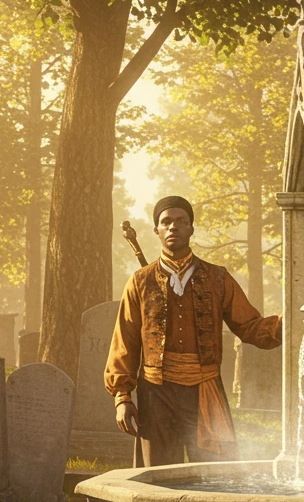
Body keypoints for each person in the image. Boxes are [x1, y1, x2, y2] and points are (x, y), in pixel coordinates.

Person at [105, 196, 281, 465]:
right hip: (155, 391)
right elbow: (125, 340)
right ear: (157, 230)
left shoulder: (218, 277)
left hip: (204, 388)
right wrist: (123, 396)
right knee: (157, 476)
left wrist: (288, 322)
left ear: (191, 229)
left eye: (181, 221)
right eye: (166, 222)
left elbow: (250, 326)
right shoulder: (140, 281)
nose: (173, 227)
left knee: (214, 474)